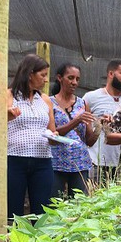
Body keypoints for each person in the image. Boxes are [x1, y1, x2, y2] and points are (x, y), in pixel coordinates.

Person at [1, 54, 57, 218]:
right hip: (15, 159)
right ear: (30, 73)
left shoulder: (45, 100)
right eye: (43, 75)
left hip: (43, 160)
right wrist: (7, 115)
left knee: (42, 210)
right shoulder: (9, 95)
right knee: (13, 209)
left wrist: (55, 137)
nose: (46, 80)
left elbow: (52, 131)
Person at [49, 63, 99, 200]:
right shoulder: (49, 102)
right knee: (54, 202)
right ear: (60, 78)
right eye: (70, 78)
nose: (74, 82)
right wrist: (76, 121)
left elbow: (88, 140)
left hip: (80, 163)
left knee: (79, 204)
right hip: (56, 162)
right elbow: (51, 135)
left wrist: (100, 127)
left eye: (77, 79)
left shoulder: (82, 103)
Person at [83, 59, 121, 183]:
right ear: (111, 74)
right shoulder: (91, 97)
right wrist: (99, 123)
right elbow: (82, 128)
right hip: (95, 161)